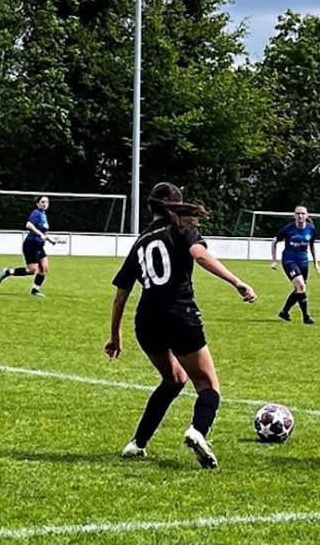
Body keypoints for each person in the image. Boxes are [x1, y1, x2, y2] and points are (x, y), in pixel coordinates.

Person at [104, 182, 257, 469]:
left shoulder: (140, 242)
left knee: (174, 379)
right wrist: (237, 281)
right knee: (207, 384)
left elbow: (119, 297)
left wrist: (115, 336)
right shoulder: (183, 228)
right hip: (178, 313)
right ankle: (197, 431)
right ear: (177, 204)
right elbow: (200, 256)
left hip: (146, 320)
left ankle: (137, 444)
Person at [270, 205, 320, 324]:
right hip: (289, 261)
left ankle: (284, 312)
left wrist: (316, 264)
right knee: (301, 286)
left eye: (303, 213)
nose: (300, 216)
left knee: (299, 289)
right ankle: (306, 317)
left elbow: (312, 246)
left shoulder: (311, 229)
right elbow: (274, 242)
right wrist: (274, 260)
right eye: (298, 213)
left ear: (307, 215)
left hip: (303, 262)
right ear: (294, 215)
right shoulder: (288, 229)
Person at [0, 196, 56, 297]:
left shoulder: (43, 215)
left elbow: (42, 231)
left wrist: (49, 239)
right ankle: (8, 272)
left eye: (46, 202)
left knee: (44, 268)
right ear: (38, 204)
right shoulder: (36, 213)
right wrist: (40, 234)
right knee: (31, 270)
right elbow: (29, 225)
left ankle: (35, 290)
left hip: (39, 246)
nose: (45, 204)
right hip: (31, 244)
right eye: (42, 202)